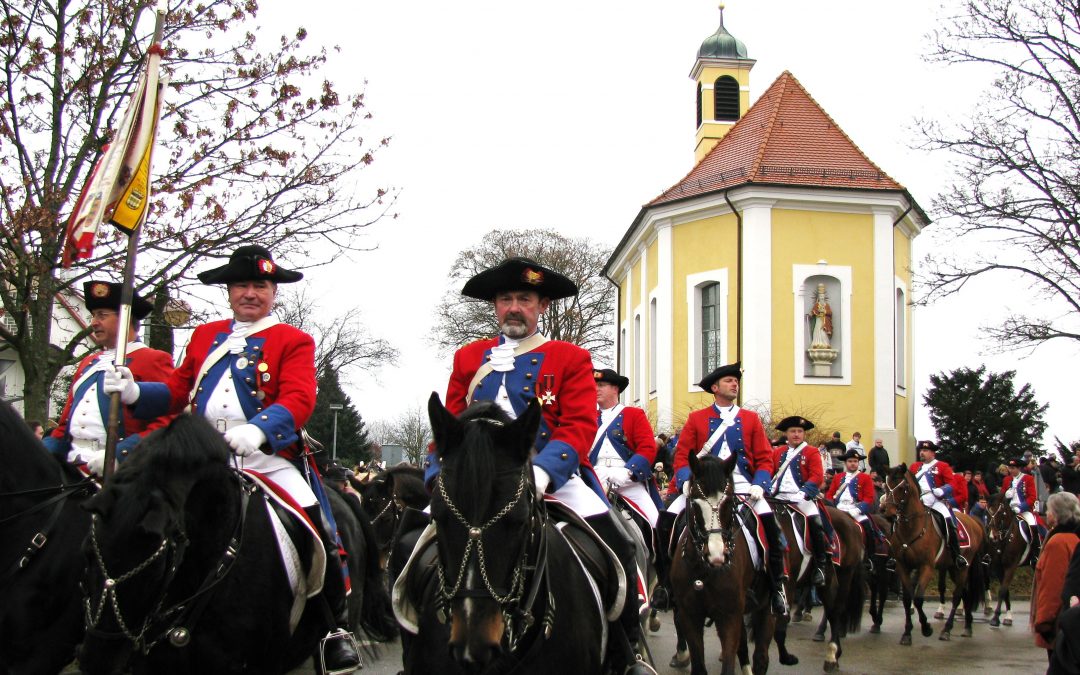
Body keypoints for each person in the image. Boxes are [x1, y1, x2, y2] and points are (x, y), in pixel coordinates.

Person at [103, 245, 359, 672]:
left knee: (319, 526)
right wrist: (134, 392)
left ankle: (335, 627)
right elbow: (176, 391)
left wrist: (259, 430)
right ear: (228, 291)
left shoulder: (292, 340)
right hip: (204, 463)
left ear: (273, 292)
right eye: (241, 285)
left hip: (268, 462)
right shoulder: (205, 337)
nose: (250, 293)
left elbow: (298, 396)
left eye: (260, 285)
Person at [428, 257, 646, 671]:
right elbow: (449, 427)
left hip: (554, 478)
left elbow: (580, 424)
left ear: (542, 305)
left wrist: (543, 471)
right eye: (506, 298)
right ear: (494, 306)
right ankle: (407, 639)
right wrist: (438, 475)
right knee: (410, 542)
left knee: (620, 543)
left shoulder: (569, 357)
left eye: (524, 298)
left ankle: (626, 650)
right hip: (476, 486)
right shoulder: (468, 358)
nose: (514, 306)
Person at [667, 362, 788, 615]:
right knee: (666, 521)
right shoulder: (696, 419)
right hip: (702, 486)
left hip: (742, 485)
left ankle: (777, 588)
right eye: (729, 381)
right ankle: (666, 585)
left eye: (736, 381)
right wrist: (685, 479)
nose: (735, 384)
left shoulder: (750, 419)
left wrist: (760, 483)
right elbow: (682, 456)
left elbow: (765, 457)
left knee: (772, 529)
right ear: (715, 387)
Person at [43, 281, 174, 476]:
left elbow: (168, 422)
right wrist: (41, 451)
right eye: (94, 315)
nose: (94, 322)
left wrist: (120, 455)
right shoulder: (88, 363)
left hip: (121, 472)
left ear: (126, 319)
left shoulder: (153, 359)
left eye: (102, 315)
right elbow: (64, 427)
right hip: (72, 467)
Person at [591, 368, 662, 527]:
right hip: (595, 476)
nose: (596, 389)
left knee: (655, 521)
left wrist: (629, 471)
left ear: (615, 389)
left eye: (601, 385)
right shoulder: (588, 417)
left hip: (627, 478)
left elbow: (647, 447)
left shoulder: (634, 414)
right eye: (594, 385)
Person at [770, 416, 828, 586]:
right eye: (793, 431)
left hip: (801, 497)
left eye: (800, 431)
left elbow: (817, 476)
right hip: (778, 497)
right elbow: (770, 471)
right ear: (786, 434)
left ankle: (820, 565)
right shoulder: (778, 452)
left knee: (815, 522)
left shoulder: (811, 452)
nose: (796, 434)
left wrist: (803, 493)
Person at [1033, 492, 1080, 665]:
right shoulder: (1074, 536)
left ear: (1057, 513)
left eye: (1050, 510)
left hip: (1058, 621)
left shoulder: (1058, 541)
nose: (1047, 513)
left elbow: (1053, 586)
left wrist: (1044, 622)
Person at [909, 440, 968, 568]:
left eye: (925, 451)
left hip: (936, 500)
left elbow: (952, 484)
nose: (922, 453)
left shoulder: (942, 466)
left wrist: (942, 490)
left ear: (932, 453)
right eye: (921, 450)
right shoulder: (914, 467)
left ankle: (956, 553)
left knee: (948, 519)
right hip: (918, 501)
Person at [826, 449, 884, 572]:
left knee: (869, 528)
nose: (853, 463)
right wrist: (832, 508)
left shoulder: (865, 478)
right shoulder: (838, 477)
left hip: (856, 511)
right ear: (845, 463)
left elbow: (869, 498)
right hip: (839, 509)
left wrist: (857, 510)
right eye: (850, 461)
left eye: (855, 461)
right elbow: (830, 495)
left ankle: (869, 558)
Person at [1003, 456, 1046, 563]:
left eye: (1013, 468)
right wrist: (1005, 495)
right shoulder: (1007, 480)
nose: (1011, 470)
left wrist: (1021, 507)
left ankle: (1036, 553)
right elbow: (1002, 495)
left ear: (1019, 468)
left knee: (1032, 525)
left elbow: (1032, 497)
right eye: (1010, 468)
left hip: (1024, 510)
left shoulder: (1028, 479)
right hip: (1009, 509)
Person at [807, 283, 833, 349]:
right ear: (818, 297)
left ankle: (825, 343)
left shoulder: (826, 305)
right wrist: (810, 314)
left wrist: (824, 311)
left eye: (822, 297)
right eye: (820, 297)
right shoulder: (817, 305)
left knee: (823, 332)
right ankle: (816, 343)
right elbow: (813, 311)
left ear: (824, 297)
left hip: (824, 321)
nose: (821, 298)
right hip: (818, 320)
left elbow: (830, 312)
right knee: (817, 330)